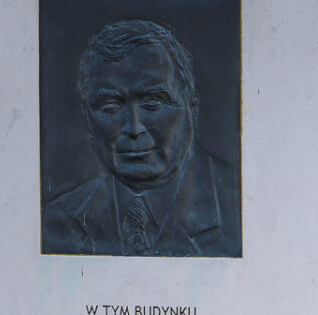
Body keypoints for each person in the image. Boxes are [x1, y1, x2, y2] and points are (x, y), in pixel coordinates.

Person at [42, 19, 241, 257]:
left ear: (192, 109)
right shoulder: (58, 220)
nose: (134, 127)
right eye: (110, 107)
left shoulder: (240, 205)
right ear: (88, 119)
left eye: (153, 103)